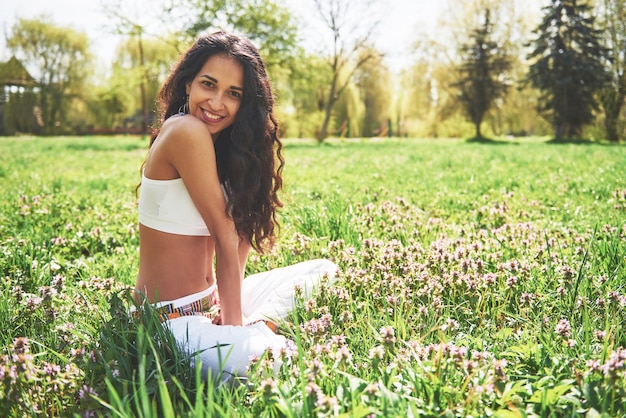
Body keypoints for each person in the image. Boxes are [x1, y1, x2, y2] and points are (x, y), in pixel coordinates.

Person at [134, 31, 337, 383]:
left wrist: (230, 313)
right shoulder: (185, 131)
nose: (216, 102)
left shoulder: (228, 149)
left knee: (324, 271)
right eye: (208, 85)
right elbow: (224, 237)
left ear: (246, 103)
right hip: (167, 321)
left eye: (233, 94)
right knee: (279, 362)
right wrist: (234, 326)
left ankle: (248, 329)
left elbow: (240, 237)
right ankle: (248, 334)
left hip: (212, 302)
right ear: (187, 85)